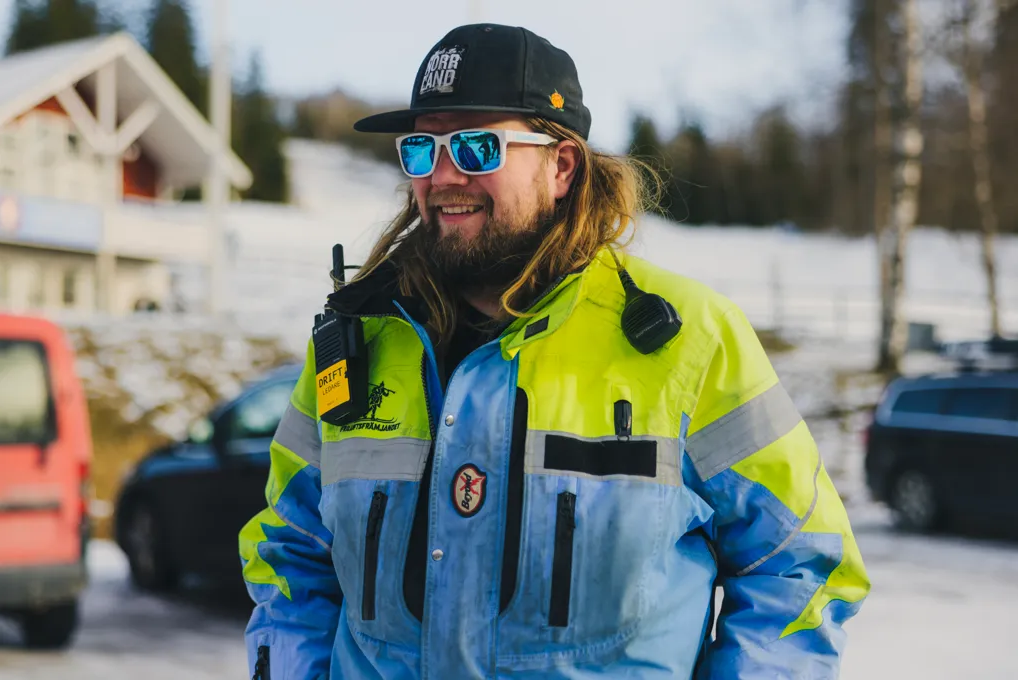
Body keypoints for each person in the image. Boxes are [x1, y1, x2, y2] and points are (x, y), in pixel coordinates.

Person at [239, 23, 870, 680]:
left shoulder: (687, 339)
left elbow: (799, 566)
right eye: (422, 150)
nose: (444, 176)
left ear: (561, 165)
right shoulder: (354, 343)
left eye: (478, 147)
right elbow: (289, 560)